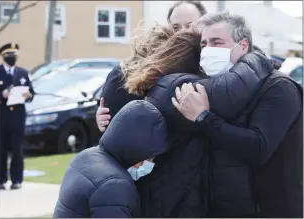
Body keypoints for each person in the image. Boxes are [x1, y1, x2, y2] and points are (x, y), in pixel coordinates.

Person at [170, 12, 303, 218]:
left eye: (217, 42)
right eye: (204, 44)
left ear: (243, 46)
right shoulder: (218, 87)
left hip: (270, 209)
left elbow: (258, 147)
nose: (208, 50)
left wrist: (203, 118)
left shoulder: (278, 87)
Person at [96, 1, 207, 131]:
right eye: (176, 27)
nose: (183, 32)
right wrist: (106, 119)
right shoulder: (137, 68)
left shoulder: (209, 63)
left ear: (204, 26)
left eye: (190, 25)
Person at [53, 100, 169, 218]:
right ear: (138, 151)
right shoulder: (115, 185)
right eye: (150, 158)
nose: (150, 163)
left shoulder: (86, 156)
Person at [0, 43, 35, 190]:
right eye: (9, 55)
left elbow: (31, 93)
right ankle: (1, 179)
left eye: (14, 55)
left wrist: (29, 95)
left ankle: (17, 180)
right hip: (0, 116)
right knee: (0, 148)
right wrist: (1, 95)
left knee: (17, 148)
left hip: (17, 116)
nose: (12, 57)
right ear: (3, 56)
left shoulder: (23, 73)